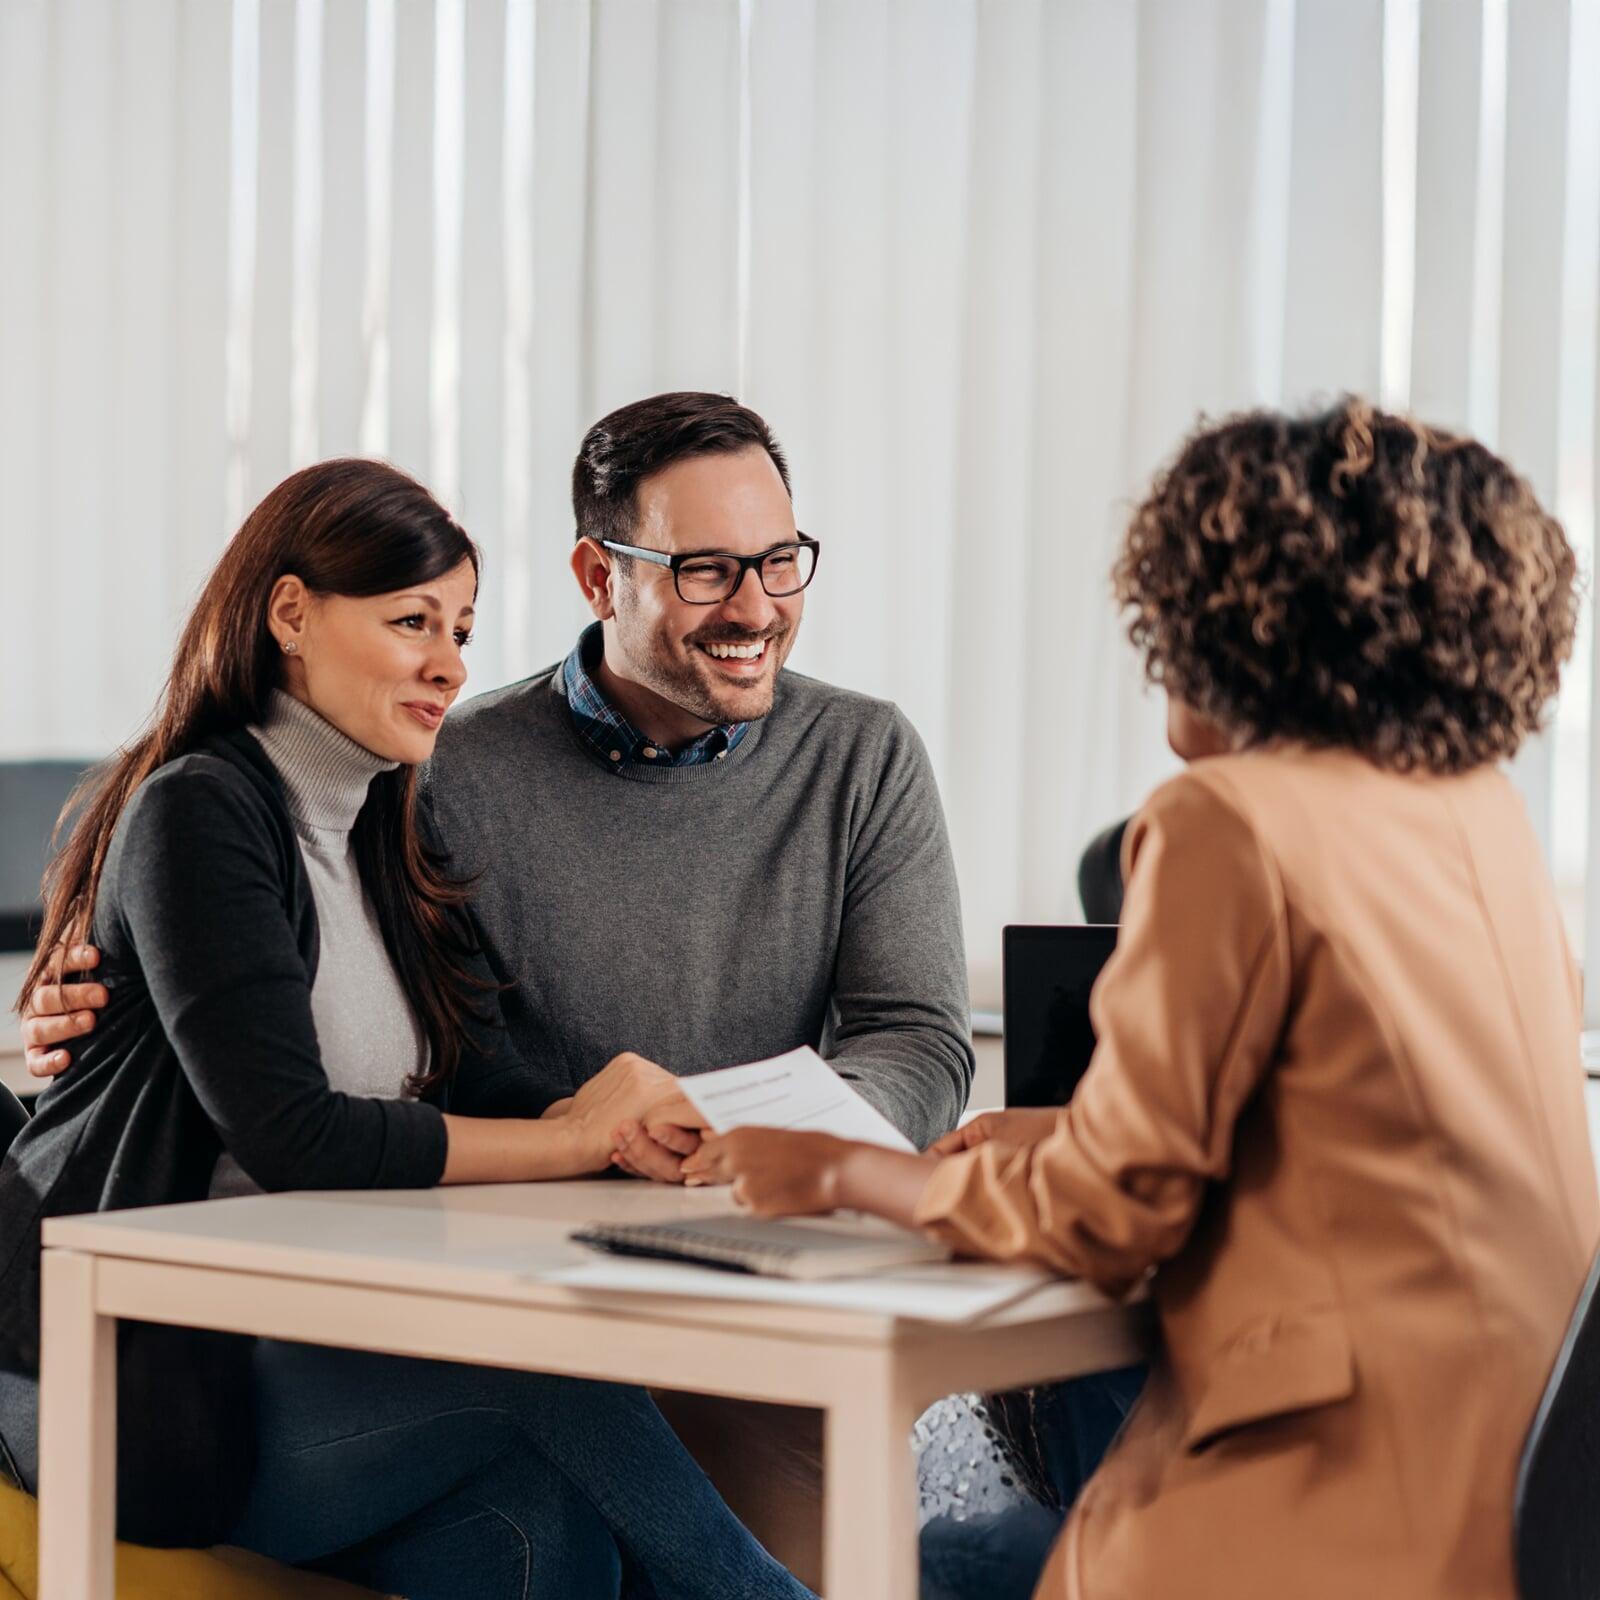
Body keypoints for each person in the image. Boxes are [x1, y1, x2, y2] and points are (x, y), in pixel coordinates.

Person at [671, 399, 1600, 1600]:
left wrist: (843, 1172)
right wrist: (1065, 1131)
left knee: (887, 1570)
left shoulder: (1229, 821)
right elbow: (1379, 1132)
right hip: (1513, 1496)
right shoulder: (1474, 812)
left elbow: (1110, 1218)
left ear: (1228, 613)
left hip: (1337, 1511)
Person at [0, 459, 810, 1600]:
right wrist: (577, 1138)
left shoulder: (384, 824)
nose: (451, 663)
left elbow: (491, 1077)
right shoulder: (201, 810)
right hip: (133, 1378)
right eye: (412, 621)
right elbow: (296, 1136)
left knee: (540, 1536)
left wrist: (636, 1124)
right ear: (291, 613)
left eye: (464, 628)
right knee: (555, 1373)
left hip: (290, 1349)